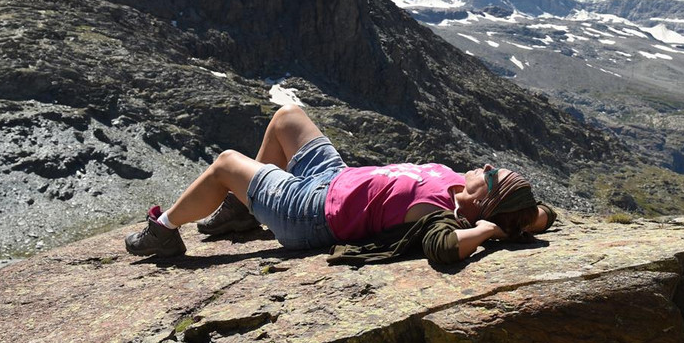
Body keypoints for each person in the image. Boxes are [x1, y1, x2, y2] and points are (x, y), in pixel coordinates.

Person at [125, 105, 554, 263]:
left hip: (309, 213)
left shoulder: (443, 217)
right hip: (332, 178)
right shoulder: (458, 182)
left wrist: (490, 231)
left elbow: (442, 249)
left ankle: (163, 232)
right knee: (287, 116)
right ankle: (244, 208)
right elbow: (541, 215)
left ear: (486, 200)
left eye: (492, 175)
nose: (484, 166)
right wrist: (528, 219)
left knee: (224, 164)